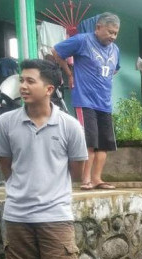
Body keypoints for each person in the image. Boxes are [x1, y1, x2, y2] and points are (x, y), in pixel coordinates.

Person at [0, 59, 88, 259]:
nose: (23, 86)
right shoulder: (6, 122)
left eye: (30, 81)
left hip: (55, 217)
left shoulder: (70, 126)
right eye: (22, 80)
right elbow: (6, 167)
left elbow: (76, 170)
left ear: (49, 88)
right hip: (18, 217)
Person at [52, 12, 120, 191]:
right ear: (98, 28)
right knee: (90, 142)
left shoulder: (115, 50)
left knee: (104, 144)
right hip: (85, 100)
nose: (112, 36)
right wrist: (69, 74)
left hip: (105, 102)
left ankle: (97, 179)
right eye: (109, 32)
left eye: (115, 33)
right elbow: (56, 51)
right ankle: (86, 180)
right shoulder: (82, 40)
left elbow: (115, 69)